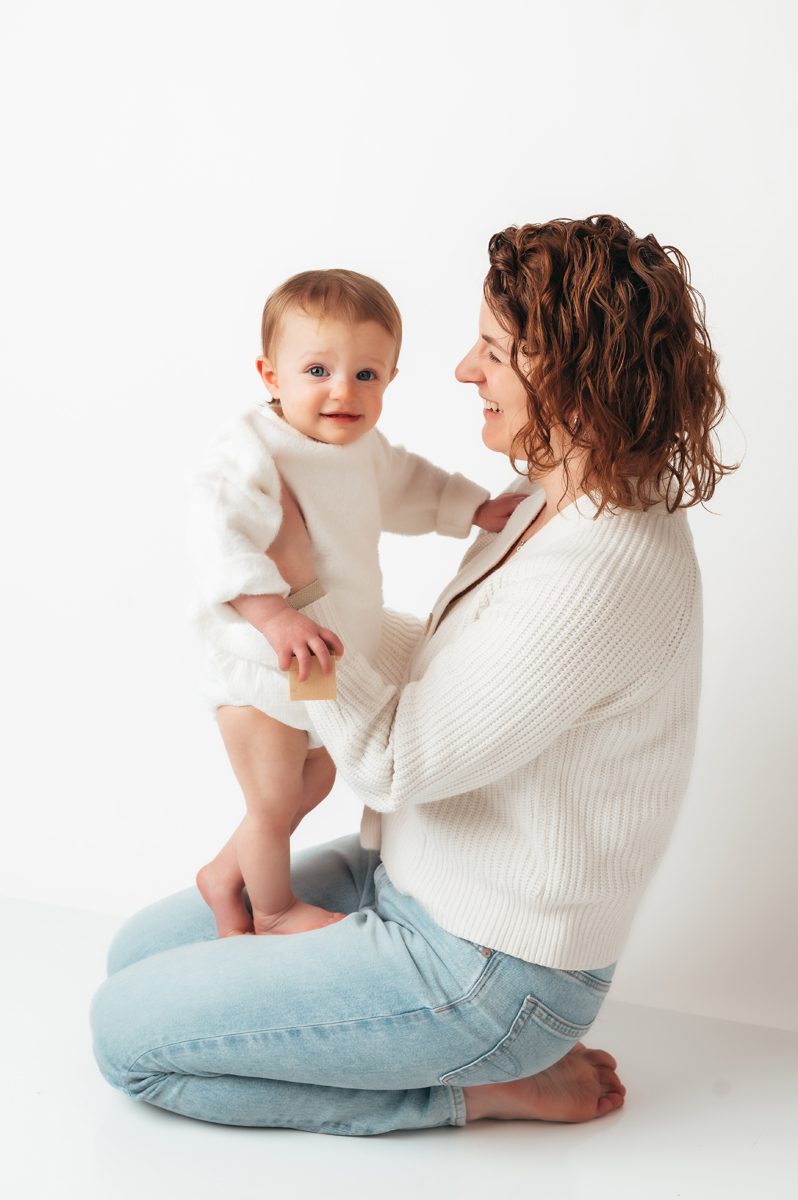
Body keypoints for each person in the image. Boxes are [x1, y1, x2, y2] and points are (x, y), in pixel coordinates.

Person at [90, 214, 735, 1136]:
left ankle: (483, 1085)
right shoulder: (543, 506)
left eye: (493, 351)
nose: (466, 371)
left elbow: (391, 761)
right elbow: (440, 666)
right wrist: (283, 644)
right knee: (133, 957)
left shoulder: (605, 565)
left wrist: (300, 592)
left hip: (485, 967)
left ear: (570, 373)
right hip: (409, 877)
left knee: (126, 1039)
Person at [187, 268, 523, 938]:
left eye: (366, 375)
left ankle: (224, 875)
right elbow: (218, 533)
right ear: (270, 375)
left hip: (322, 653)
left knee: (314, 783)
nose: (343, 391)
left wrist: (471, 508)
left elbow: (407, 485)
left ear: (391, 379)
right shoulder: (251, 450)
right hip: (261, 663)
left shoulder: (362, 450)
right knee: (275, 799)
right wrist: (272, 614)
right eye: (317, 370)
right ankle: (270, 909)